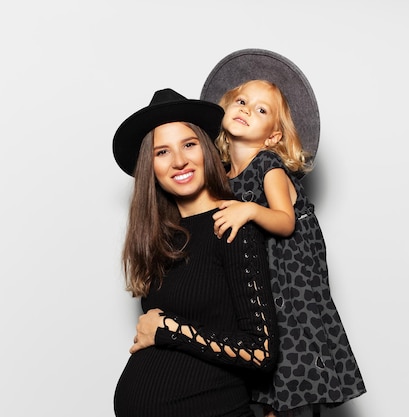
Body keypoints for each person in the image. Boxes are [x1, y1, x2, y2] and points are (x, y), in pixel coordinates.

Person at [200, 50, 366, 417]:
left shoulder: (269, 166)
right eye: (241, 101)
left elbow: (284, 221)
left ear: (274, 135)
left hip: (293, 293)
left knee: (294, 377)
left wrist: (250, 209)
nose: (246, 109)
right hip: (265, 292)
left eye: (261, 110)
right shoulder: (225, 177)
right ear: (225, 108)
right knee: (270, 391)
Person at [111, 88, 278, 417]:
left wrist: (168, 329)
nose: (179, 161)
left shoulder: (232, 225)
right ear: (151, 167)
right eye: (162, 152)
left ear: (207, 149)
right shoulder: (163, 239)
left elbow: (262, 351)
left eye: (189, 144)